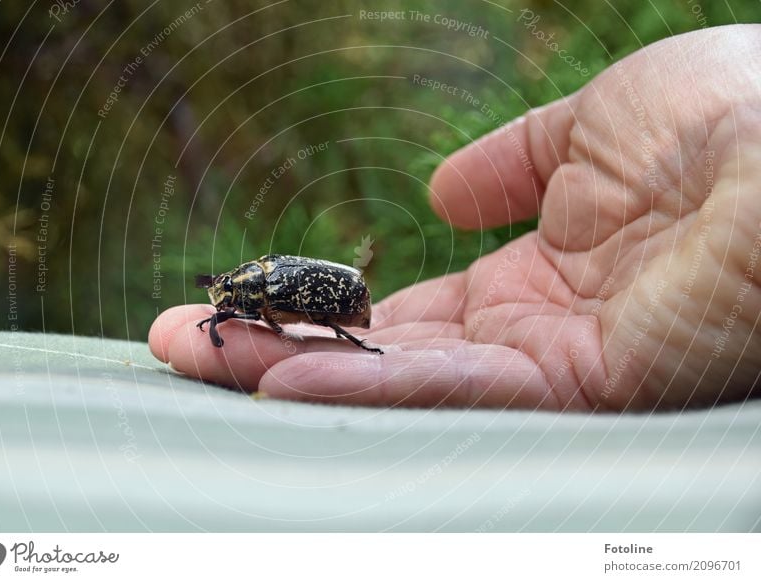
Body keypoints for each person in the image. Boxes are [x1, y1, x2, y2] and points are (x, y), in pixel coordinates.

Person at [149, 25, 760, 411]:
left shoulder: (273, 285)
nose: (228, 303)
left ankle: (351, 339)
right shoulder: (259, 285)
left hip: (345, 300)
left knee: (313, 326)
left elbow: (296, 312)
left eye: (230, 297)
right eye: (228, 297)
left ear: (248, 291)